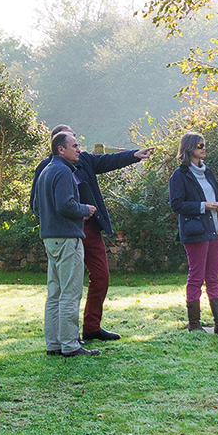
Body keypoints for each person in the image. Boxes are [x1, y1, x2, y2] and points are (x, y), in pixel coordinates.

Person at [59, 130, 151, 342]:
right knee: (69, 285)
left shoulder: (85, 160)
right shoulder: (50, 168)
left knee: (101, 276)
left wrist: (134, 155)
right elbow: (39, 202)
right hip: (67, 232)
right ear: (60, 147)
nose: (78, 147)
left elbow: (108, 160)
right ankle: (67, 336)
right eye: (73, 142)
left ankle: (92, 327)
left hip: (91, 229)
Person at [30, 129, 99, 357]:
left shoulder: (46, 171)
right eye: (75, 146)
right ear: (61, 149)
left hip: (50, 239)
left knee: (55, 294)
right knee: (70, 293)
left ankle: (54, 344)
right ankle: (70, 345)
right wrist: (85, 210)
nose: (79, 149)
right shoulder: (63, 172)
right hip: (68, 239)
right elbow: (66, 205)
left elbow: (37, 207)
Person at [168, 131, 218, 334]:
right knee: (196, 276)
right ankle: (194, 325)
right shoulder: (180, 175)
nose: (204, 148)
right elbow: (176, 205)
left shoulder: (208, 172)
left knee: (213, 276)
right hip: (195, 231)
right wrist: (204, 206)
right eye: (200, 146)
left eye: (204, 145)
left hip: (216, 230)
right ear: (189, 149)